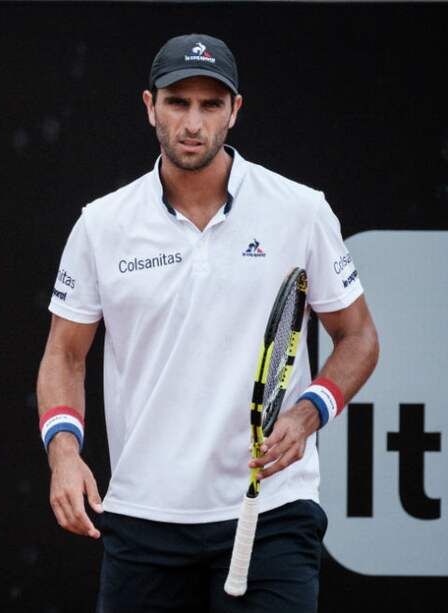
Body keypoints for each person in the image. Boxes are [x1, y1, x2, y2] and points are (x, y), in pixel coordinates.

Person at [36, 34, 378, 612]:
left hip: (271, 512)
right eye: (177, 102)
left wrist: (308, 410)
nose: (192, 122)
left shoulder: (300, 209)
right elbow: (64, 354)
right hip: (143, 514)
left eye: (210, 104)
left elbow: (359, 335)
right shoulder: (101, 223)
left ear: (235, 111)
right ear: (150, 106)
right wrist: (64, 454)